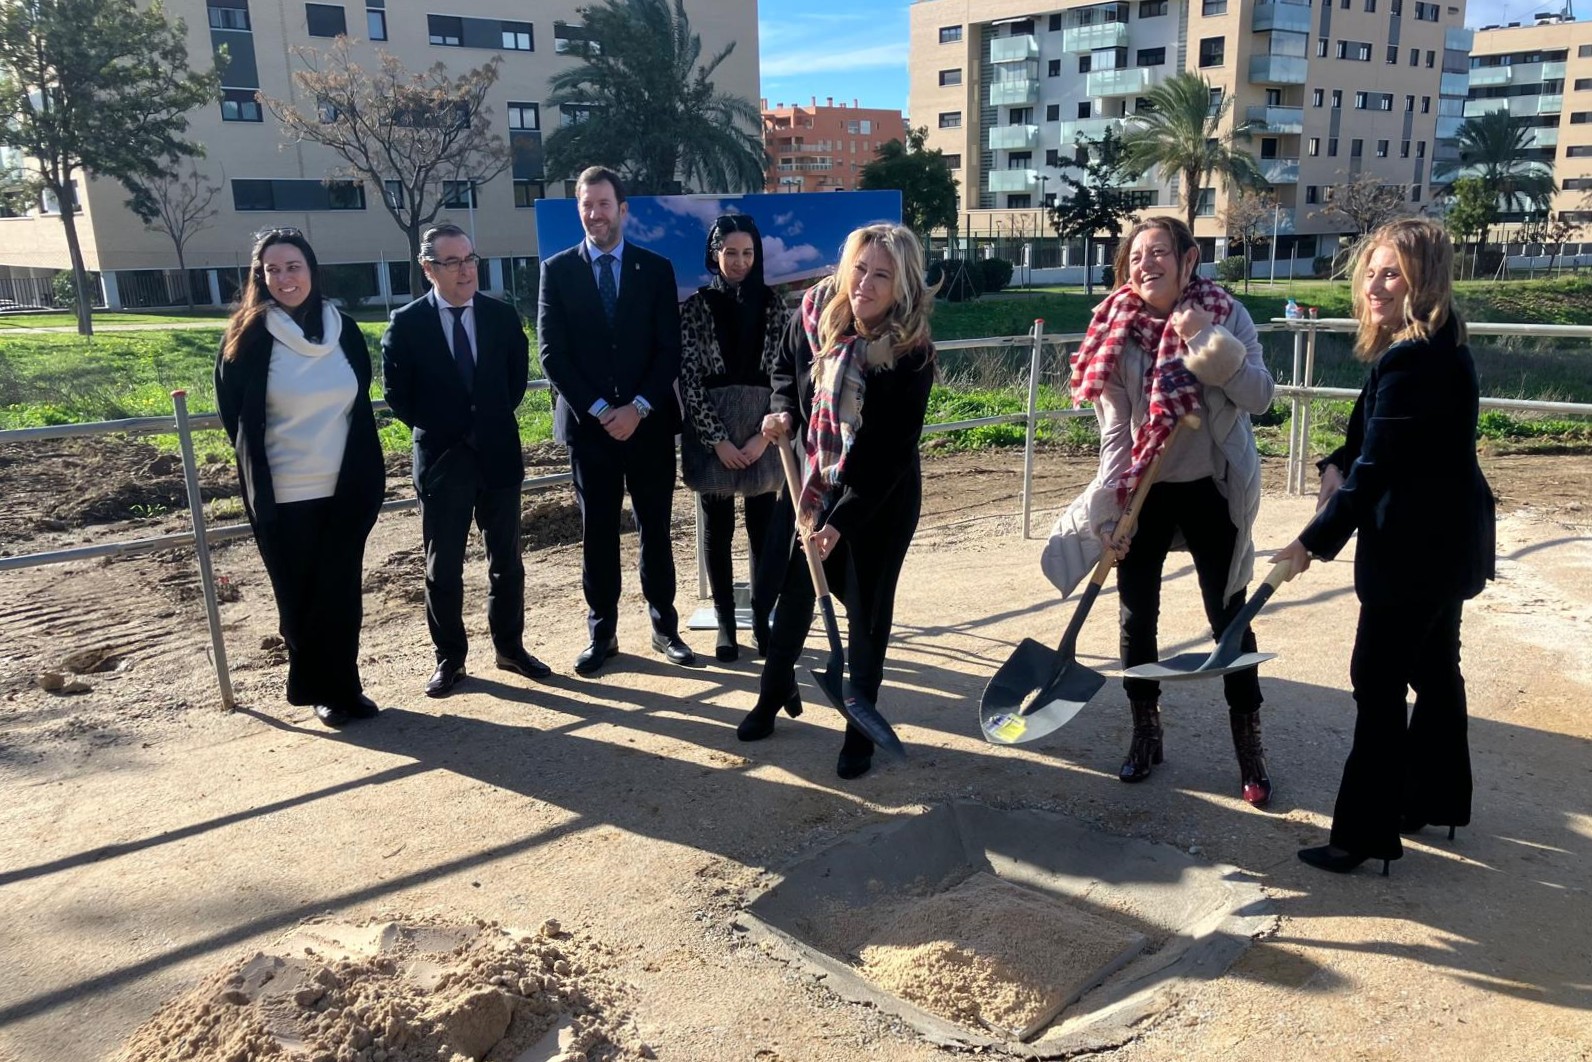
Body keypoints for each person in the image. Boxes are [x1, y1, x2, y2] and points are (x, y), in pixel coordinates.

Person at [1279, 218, 1495, 876]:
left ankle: (1363, 835)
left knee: (1376, 681)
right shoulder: (1439, 346)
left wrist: (1310, 543)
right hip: (1448, 544)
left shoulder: (1411, 359)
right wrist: (1332, 464)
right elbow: (1375, 444)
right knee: (1434, 669)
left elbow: (1378, 469)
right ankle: (1435, 798)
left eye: (1392, 273)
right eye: (1370, 272)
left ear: (1423, 280)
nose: (1375, 285)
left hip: (1414, 551)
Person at [1070, 216, 1277, 804]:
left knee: (1229, 614)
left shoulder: (1225, 314)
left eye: (1160, 252)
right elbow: (1116, 434)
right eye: (1136, 256)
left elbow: (1259, 397)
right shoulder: (1116, 328)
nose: (1146, 265)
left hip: (1213, 485)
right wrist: (1110, 512)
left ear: (1189, 260)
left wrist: (1204, 339)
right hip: (1146, 489)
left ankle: (1249, 745)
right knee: (1136, 616)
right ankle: (1146, 733)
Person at [736, 223, 936, 781]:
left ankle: (858, 730)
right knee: (794, 594)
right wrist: (782, 411)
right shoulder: (815, 316)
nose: (865, 284)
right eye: (859, 269)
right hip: (813, 482)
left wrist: (840, 523)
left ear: (903, 286)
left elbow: (891, 455)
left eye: (881, 276)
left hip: (878, 501)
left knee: (866, 616)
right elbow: (784, 368)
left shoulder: (910, 354)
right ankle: (771, 695)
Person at [215, 228, 385, 728]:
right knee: (300, 598)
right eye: (273, 269)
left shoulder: (343, 330)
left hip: (345, 487)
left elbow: (358, 395)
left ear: (312, 270)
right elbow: (233, 414)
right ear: (260, 276)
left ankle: (348, 686)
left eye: (294, 266)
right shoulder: (247, 337)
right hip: (285, 493)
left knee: (342, 593)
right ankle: (320, 691)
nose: (285, 278)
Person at [382, 223, 549, 698]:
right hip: (443, 461)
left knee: (507, 561)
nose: (465, 270)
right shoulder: (407, 324)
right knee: (444, 568)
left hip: (497, 456)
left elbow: (514, 383)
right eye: (452, 262)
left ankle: (510, 648)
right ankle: (450, 659)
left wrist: (484, 425)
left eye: (470, 258)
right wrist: (453, 429)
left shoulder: (501, 317)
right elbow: (399, 396)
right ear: (428, 268)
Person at [538, 166, 695, 674]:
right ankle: (602, 634)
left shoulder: (656, 269)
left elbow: (669, 349)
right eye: (586, 205)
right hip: (591, 431)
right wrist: (604, 410)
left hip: (648, 426)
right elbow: (552, 354)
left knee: (656, 529)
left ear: (622, 210)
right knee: (598, 532)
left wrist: (639, 407)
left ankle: (664, 627)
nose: (595, 213)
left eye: (603, 204)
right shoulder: (557, 270)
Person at [678, 214, 790, 662]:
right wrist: (717, 440)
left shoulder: (774, 305)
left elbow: (786, 376)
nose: (740, 261)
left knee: (763, 531)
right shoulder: (695, 307)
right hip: (715, 436)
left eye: (747, 252)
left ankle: (762, 619)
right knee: (718, 529)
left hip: (764, 433)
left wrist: (766, 435)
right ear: (715, 254)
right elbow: (689, 380)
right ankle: (726, 623)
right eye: (730, 252)